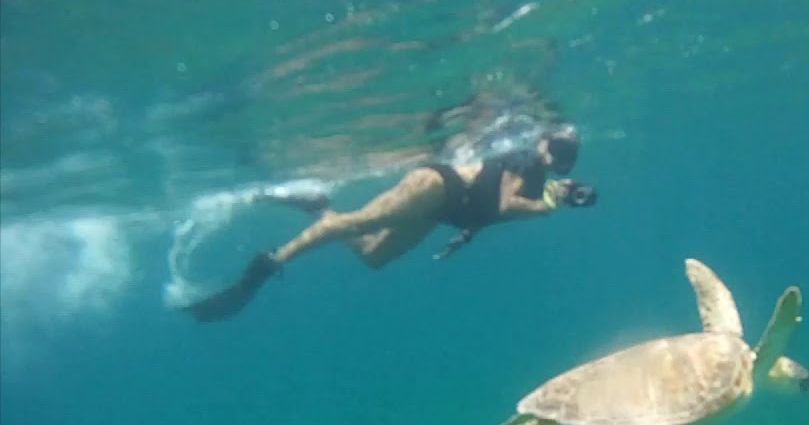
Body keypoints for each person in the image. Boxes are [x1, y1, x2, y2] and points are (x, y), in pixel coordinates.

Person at [181, 117, 597, 322]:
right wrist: (547, 204)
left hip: (446, 208)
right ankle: (272, 261)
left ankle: (317, 205)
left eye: (566, 155)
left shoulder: (540, 176)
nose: (556, 156)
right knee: (357, 224)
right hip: (437, 188)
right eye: (556, 146)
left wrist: (468, 233)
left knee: (374, 256)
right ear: (543, 141)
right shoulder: (529, 165)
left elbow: (490, 207)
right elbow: (506, 204)